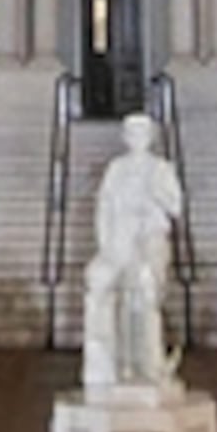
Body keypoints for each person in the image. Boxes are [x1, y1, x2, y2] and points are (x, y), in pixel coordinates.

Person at [82, 113, 186, 393]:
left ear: (150, 137)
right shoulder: (116, 168)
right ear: (125, 138)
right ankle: (122, 362)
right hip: (121, 239)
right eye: (132, 133)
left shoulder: (161, 168)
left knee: (147, 300)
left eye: (142, 132)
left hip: (150, 237)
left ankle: (151, 365)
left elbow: (176, 207)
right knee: (120, 297)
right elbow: (104, 206)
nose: (137, 138)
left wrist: (156, 194)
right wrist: (105, 243)